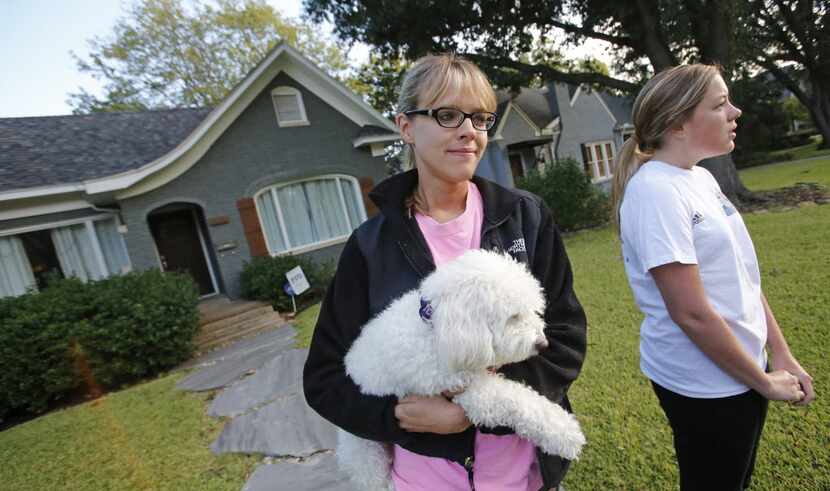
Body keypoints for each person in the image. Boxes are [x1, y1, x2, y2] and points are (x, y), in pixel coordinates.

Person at [303, 53, 587, 491]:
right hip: (423, 479)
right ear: (406, 127)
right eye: (448, 115)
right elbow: (324, 379)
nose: (469, 132)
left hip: (523, 475)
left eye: (480, 118)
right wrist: (398, 416)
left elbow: (564, 336)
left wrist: (470, 410)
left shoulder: (524, 218)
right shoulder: (369, 246)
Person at [612, 64, 815, 490]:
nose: (735, 112)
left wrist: (779, 353)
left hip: (741, 368)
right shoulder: (655, 192)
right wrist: (761, 382)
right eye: (721, 104)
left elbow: (742, 278)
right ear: (678, 123)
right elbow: (691, 313)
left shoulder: (699, 178)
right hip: (705, 381)